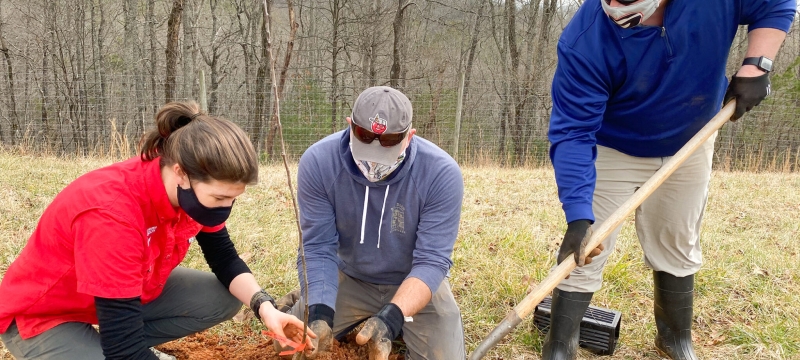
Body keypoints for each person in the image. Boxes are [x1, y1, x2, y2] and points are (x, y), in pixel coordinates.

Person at [546, 0, 795, 359]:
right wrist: (578, 214)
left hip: (690, 140)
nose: (617, 7)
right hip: (613, 146)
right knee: (585, 249)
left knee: (677, 240)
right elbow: (572, 133)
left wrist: (758, 64)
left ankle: (674, 339)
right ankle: (559, 344)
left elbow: (778, 3)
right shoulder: (585, 39)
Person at [0, 101, 315, 359]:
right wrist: (126, 350)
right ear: (181, 173)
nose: (226, 207)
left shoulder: (191, 195)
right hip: (45, 316)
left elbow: (224, 258)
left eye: (234, 197)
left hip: (122, 296)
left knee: (224, 297)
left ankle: (107, 344)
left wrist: (266, 308)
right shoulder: (112, 213)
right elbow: (123, 350)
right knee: (121, 350)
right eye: (220, 197)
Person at [281, 86, 465, 359]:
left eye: (389, 142)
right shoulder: (319, 162)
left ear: (409, 136)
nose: (373, 158)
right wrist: (319, 314)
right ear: (350, 126)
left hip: (412, 279)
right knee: (288, 349)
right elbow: (318, 247)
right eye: (365, 138)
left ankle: (398, 322)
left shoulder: (441, 173)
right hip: (351, 276)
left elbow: (432, 261)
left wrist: (391, 318)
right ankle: (312, 299)